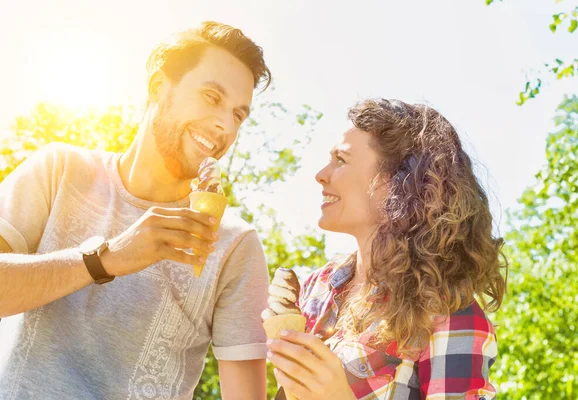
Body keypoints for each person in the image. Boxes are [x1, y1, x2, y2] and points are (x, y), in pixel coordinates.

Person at [0, 21, 271, 400]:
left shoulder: (235, 245)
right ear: (159, 86)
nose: (224, 124)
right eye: (212, 97)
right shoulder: (59, 170)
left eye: (238, 115)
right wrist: (105, 259)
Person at [266, 98, 507, 399]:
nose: (321, 174)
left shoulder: (449, 313)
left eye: (340, 160)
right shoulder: (314, 290)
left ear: (397, 182)